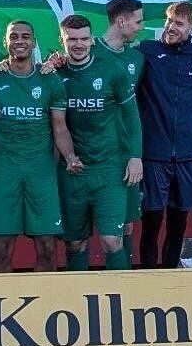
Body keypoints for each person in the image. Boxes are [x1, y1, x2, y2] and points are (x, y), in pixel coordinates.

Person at [0, 21, 79, 273]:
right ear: (5, 42)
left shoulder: (49, 80)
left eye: (26, 36)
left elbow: (60, 128)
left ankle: (45, 305)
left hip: (41, 174)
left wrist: (70, 156)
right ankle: (1, 310)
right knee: (1, 248)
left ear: (34, 42)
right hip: (5, 173)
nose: (20, 41)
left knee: (47, 247)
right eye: (14, 36)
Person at [55, 14, 142, 271]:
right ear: (63, 40)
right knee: (74, 244)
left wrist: (135, 156)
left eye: (83, 39)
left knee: (111, 240)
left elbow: (132, 116)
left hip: (109, 169)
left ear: (92, 40)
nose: (78, 44)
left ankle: (122, 299)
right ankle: (77, 303)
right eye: (72, 39)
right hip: (73, 172)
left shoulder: (112, 70)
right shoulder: (54, 74)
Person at [136, 1, 192, 268]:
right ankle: (148, 274)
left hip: (189, 154)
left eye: (179, 24)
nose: (171, 27)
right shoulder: (146, 51)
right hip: (155, 152)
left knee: (178, 220)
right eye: (169, 21)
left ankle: (169, 274)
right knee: (152, 219)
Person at [95, 0, 147, 259]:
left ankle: (127, 288)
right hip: (92, 157)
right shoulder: (87, 50)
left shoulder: (137, 59)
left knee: (127, 225)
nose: (141, 26)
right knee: (87, 235)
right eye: (137, 21)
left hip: (125, 153)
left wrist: (135, 154)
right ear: (121, 20)